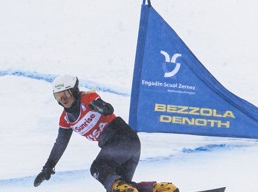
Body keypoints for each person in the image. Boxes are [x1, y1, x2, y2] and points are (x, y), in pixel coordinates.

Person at [34, 74, 178, 192]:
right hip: (129, 145)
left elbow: (108, 108)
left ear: (75, 90)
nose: (63, 99)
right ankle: (158, 189)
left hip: (121, 139)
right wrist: (48, 168)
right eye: (58, 96)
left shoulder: (87, 99)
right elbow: (60, 144)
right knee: (122, 186)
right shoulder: (65, 119)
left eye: (66, 94)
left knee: (97, 168)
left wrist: (103, 108)